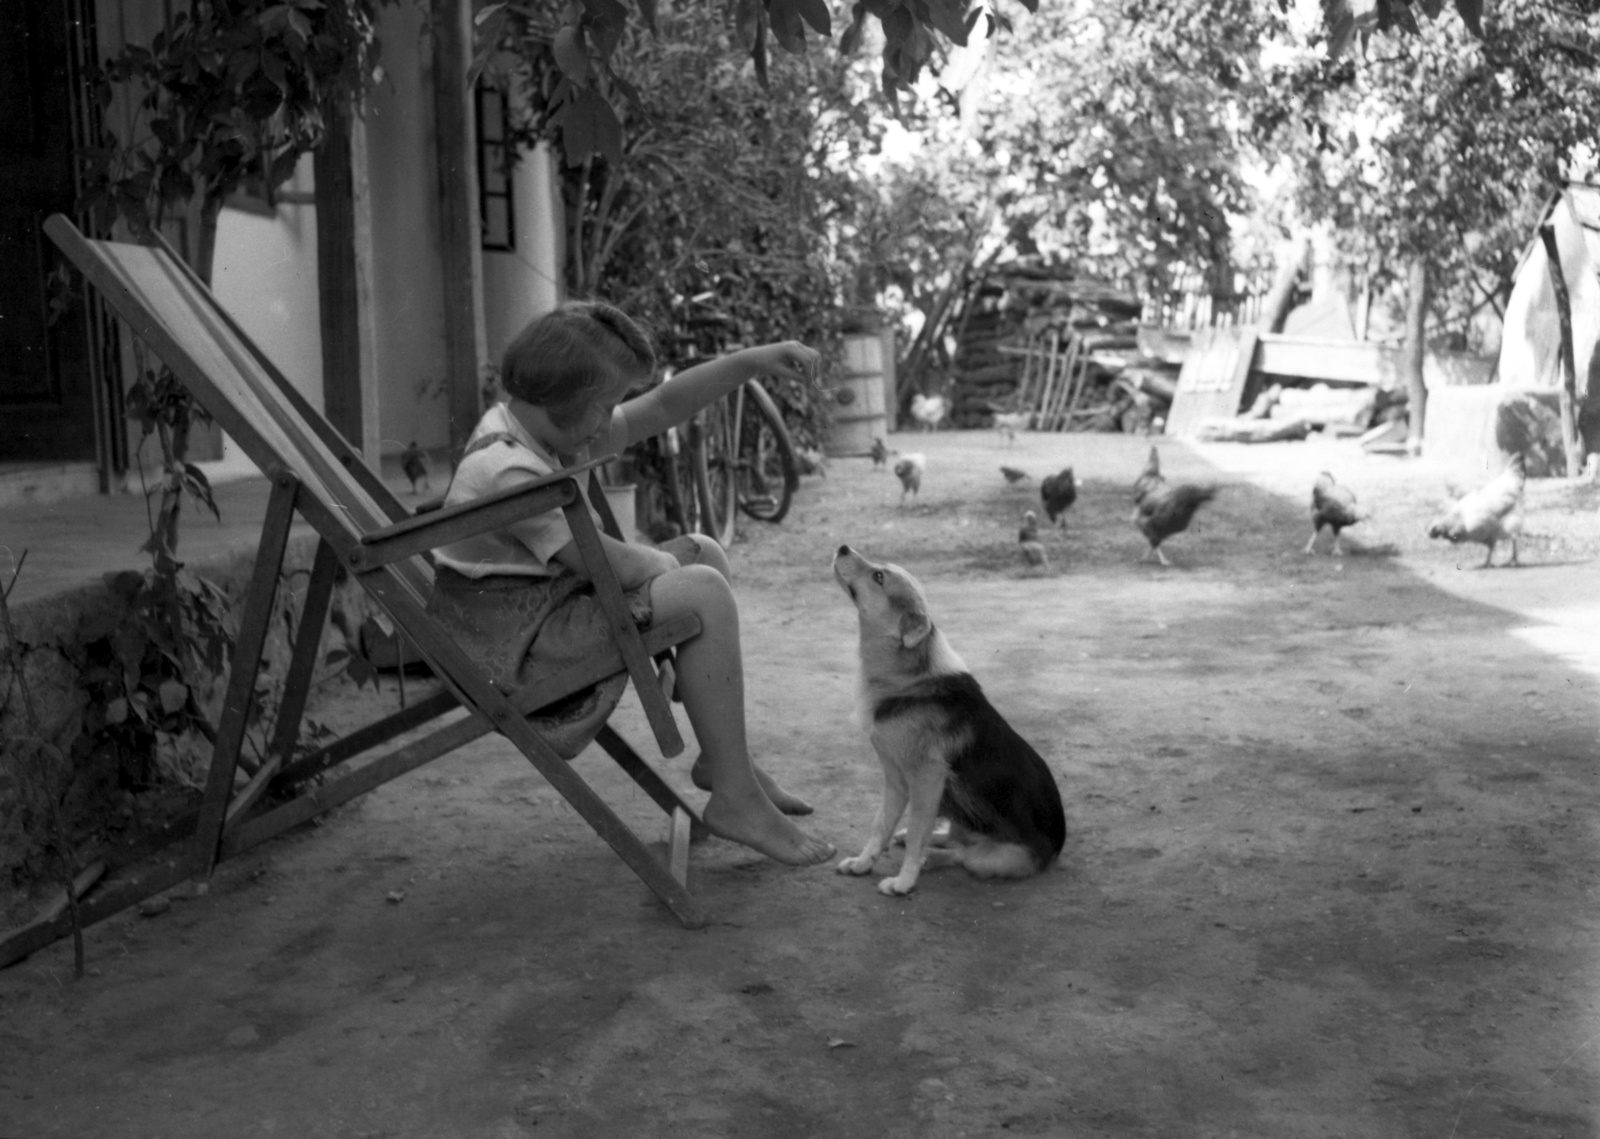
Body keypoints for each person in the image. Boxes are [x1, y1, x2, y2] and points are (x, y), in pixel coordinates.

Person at [430, 301, 834, 867]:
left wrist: (750, 362)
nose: (610, 420)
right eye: (605, 407)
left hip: (547, 606)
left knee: (704, 554)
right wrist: (666, 587)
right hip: (514, 643)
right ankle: (737, 801)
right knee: (700, 588)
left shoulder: (541, 428)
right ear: (568, 399)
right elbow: (621, 568)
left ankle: (725, 765)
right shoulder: (506, 470)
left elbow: (666, 403)